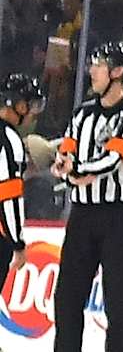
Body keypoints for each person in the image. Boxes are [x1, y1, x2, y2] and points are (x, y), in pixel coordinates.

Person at [42, 41, 123, 352]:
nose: (92, 71)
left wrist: (80, 170)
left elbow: (113, 160)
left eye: (100, 65)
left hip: (121, 216)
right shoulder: (82, 114)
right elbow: (68, 149)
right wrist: (65, 166)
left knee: (118, 297)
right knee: (68, 293)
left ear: (118, 72)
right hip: (83, 215)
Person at [0, 70, 46, 286]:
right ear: (18, 105)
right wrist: (16, 242)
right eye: (31, 105)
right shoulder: (9, 141)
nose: (32, 113)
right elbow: (8, 197)